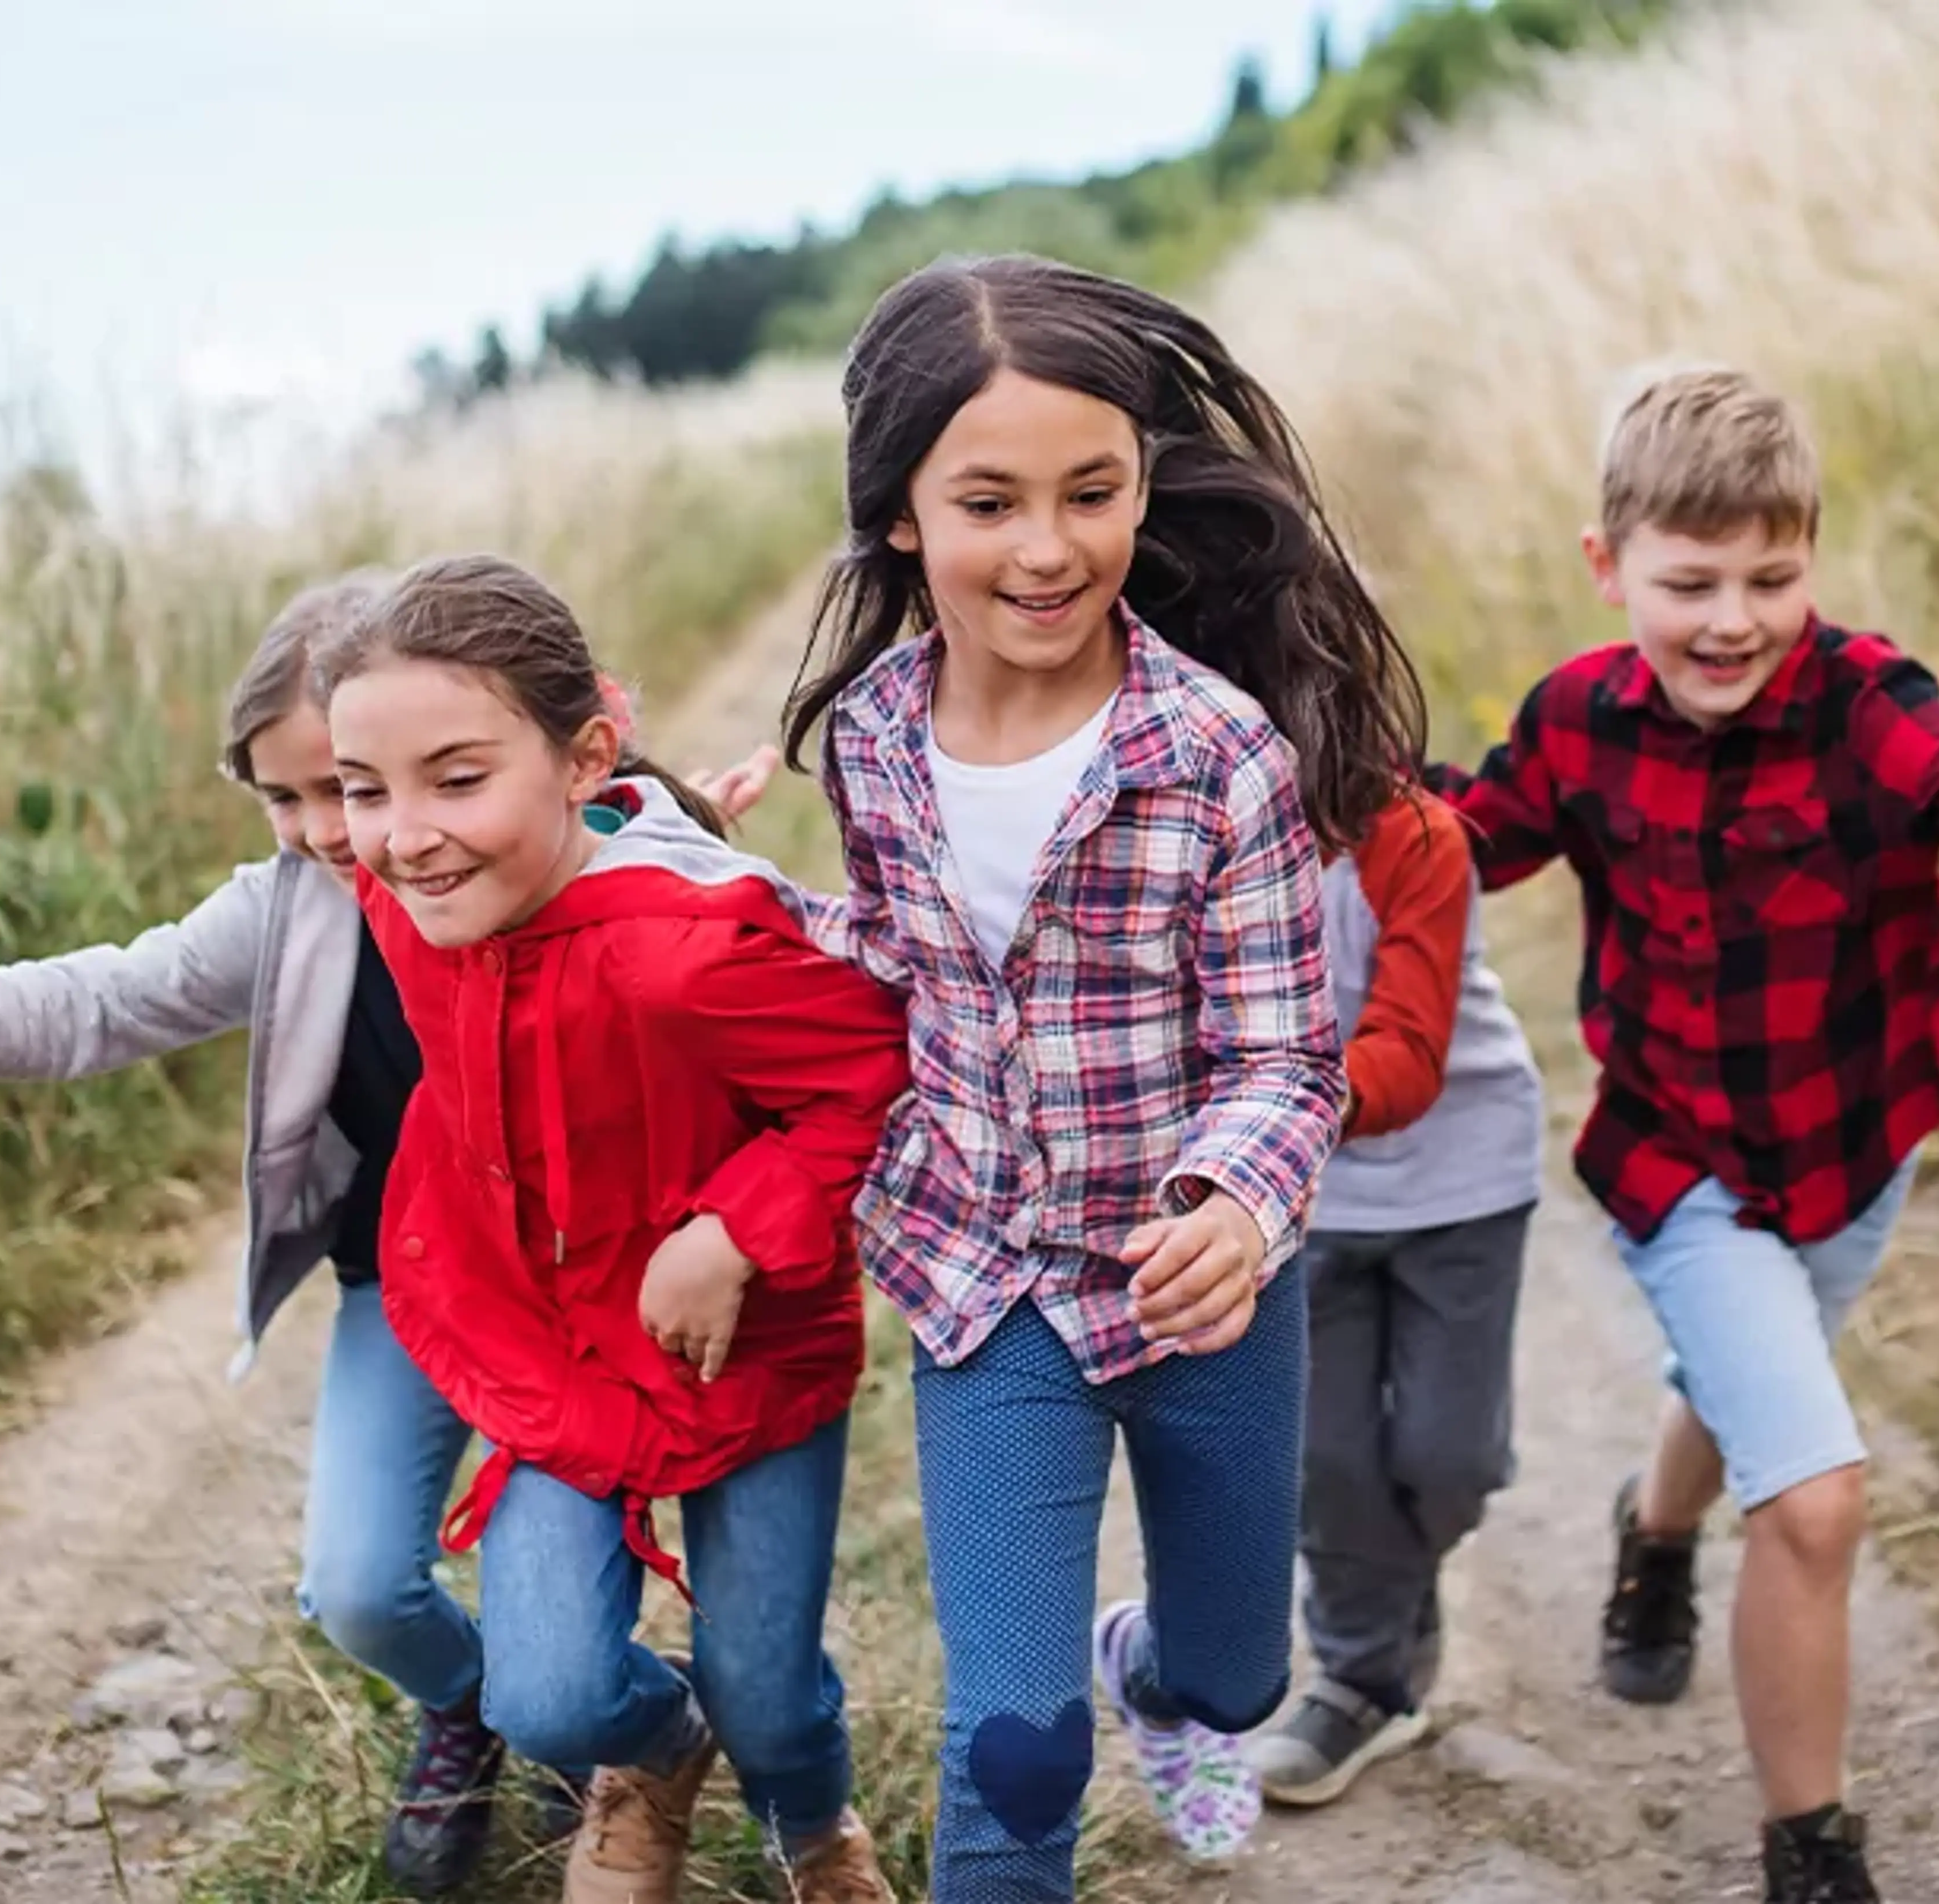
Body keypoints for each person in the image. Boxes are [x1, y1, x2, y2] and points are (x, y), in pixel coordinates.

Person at [1422, 362, 1939, 1903]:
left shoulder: (1863, 703)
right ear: (1606, 561)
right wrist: (1315, 798)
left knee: (1753, 1397)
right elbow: (1462, 840)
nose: (1733, 618)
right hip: (1676, 1158)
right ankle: (1812, 1850)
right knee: (1818, 1490)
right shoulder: (1577, 719)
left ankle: (1654, 1526)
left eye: (1773, 575)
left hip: (1855, 1144)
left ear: (1811, 557)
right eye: (1689, 580)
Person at [778, 251, 1429, 1901]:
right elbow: (891, 962)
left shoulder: (1220, 752)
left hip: (1198, 1285)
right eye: (989, 500)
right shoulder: (868, 739)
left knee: (1239, 1675)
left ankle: (1160, 1675)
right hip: (983, 1283)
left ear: (1146, 482)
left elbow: (1287, 1048)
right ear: (901, 515)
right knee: (1014, 1736)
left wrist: (1231, 1192)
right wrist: (709, 894)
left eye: (1093, 490)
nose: (1049, 546)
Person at [0, 571, 576, 1894]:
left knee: (573, 1626)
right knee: (357, 1588)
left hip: (583, 1272)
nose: (324, 831)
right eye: (286, 797)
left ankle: (629, 1732)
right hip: (403, 1282)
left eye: (336, 787)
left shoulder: (536, 855)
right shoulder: (290, 906)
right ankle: (466, 1710)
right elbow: (102, 1003)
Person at [315, 552, 910, 1904]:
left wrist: (735, 1232)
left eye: (457, 780)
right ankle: (656, 1750)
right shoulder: (408, 901)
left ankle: (811, 1823)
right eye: (367, 790)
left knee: (771, 1699)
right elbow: (341, 811)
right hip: (549, 1348)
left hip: (734, 1353)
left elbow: (874, 1065)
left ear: (584, 758)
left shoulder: (687, 955)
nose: (405, 834)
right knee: (551, 1695)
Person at [1245, 783, 1544, 1807]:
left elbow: (1409, 1052)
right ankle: (1362, 1680)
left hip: (1462, 1179)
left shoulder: (1416, 838)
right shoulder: (1183, 832)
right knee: (1325, 1458)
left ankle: (1390, 1595)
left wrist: (1270, 1113)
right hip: (1294, 1202)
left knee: (1444, 1457)